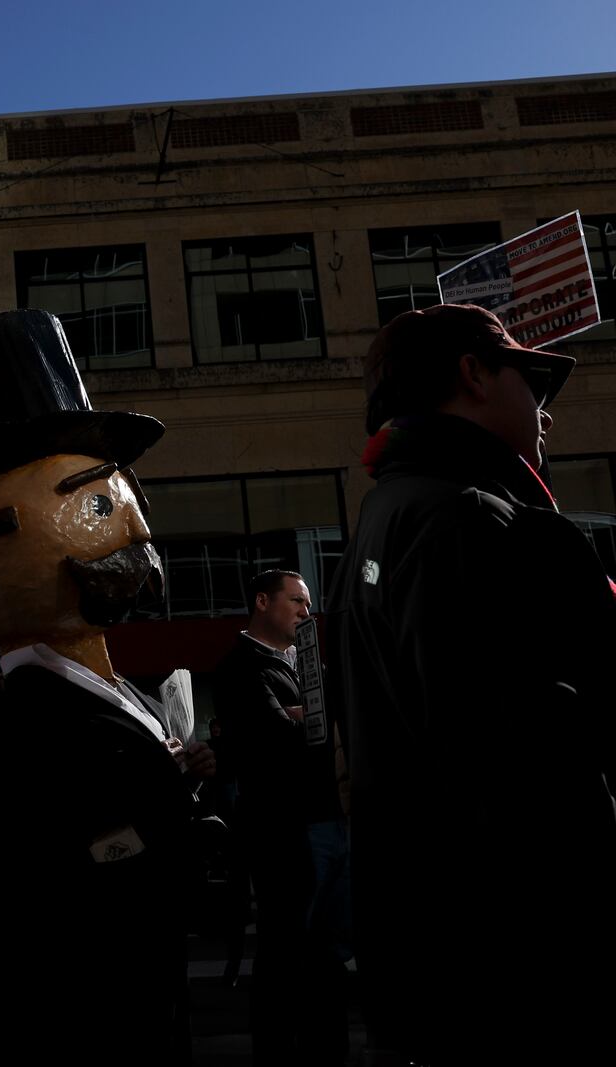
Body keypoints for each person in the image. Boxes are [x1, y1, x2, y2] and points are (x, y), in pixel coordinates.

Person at [0, 310, 217, 1065]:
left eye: (130, 505)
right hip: (70, 1008)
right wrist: (160, 837)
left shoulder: (110, 686)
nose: (134, 532)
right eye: (97, 505)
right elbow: (49, 867)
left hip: (139, 991)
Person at [330, 303, 616, 1063]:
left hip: (437, 965)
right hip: (522, 972)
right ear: (474, 374)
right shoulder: (472, 519)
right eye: (534, 384)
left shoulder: (386, 515)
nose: (546, 412)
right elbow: (529, 773)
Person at [212, 570, 346, 1065]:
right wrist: (304, 721)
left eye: (308, 604)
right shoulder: (239, 668)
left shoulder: (308, 664)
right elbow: (271, 739)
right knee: (284, 954)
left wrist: (301, 717)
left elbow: (330, 724)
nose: (305, 612)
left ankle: (326, 1051)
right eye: (296, 602)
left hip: (327, 821)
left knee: (327, 954)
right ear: (263, 601)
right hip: (283, 831)